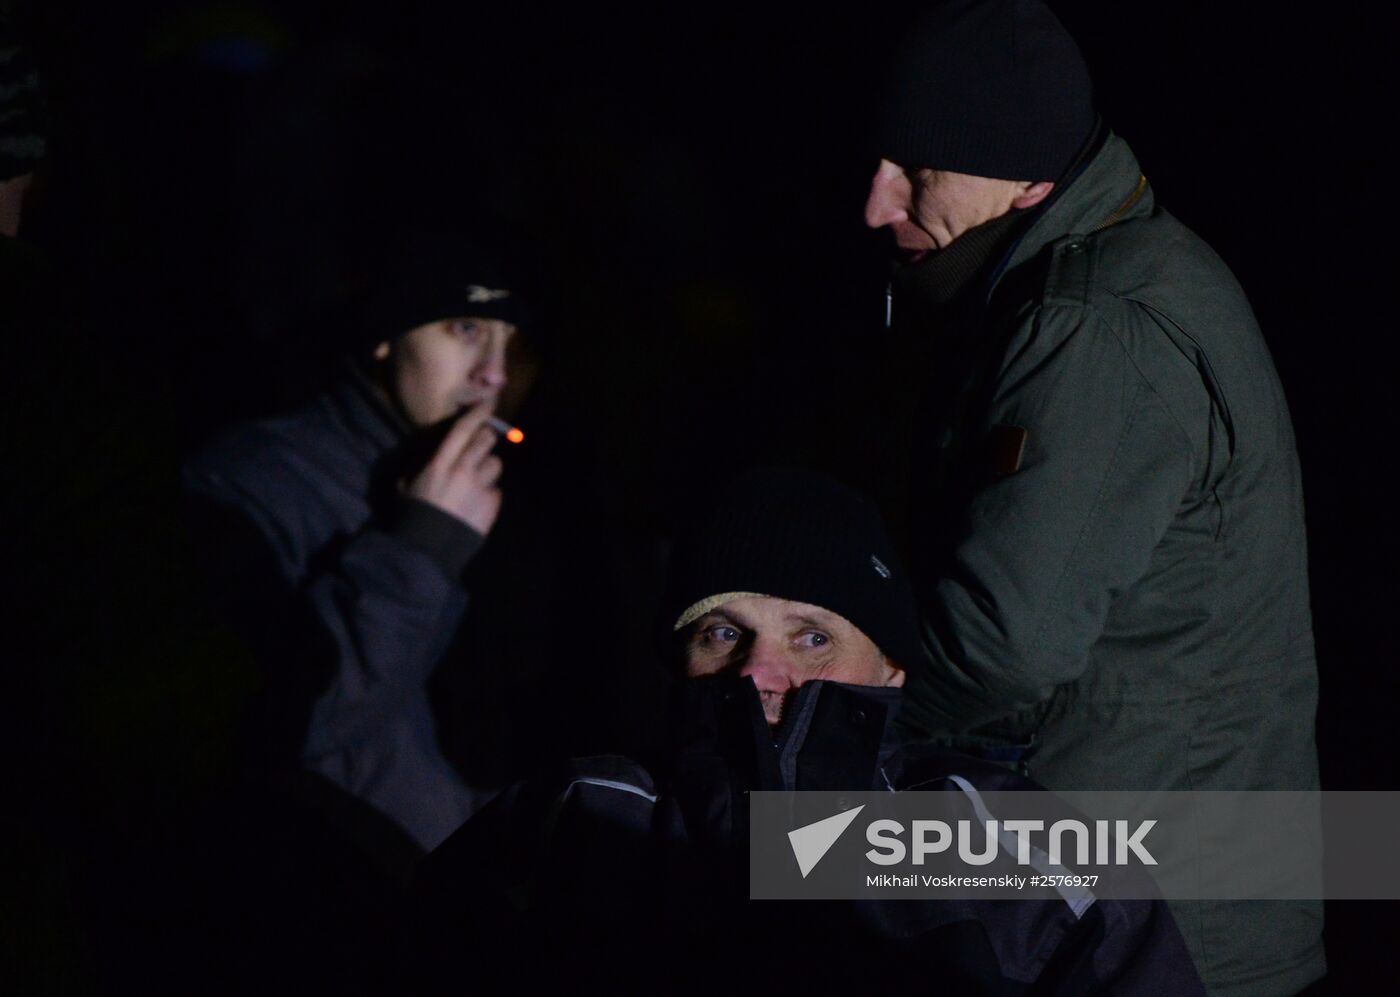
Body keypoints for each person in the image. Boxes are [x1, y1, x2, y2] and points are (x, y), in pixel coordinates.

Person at [860, 3, 1322, 993]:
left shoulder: (1093, 324)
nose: (873, 202)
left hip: (1157, 935)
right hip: (1162, 913)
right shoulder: (1106, 273)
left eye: (916, 170)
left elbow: (1000, 649)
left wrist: (831, 734)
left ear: (1024, 177)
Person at [408, 468, 1203, 995]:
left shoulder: (1013, 837)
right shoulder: (573, 812)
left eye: (812, 636)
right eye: (721, 632)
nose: (761, 670)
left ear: (890, 667)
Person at [184, 229, 522, 855]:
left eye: (508, 340)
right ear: (386, 335)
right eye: (466, 330)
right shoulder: (251, 482)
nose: (494, 375)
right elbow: (274, 727)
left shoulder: (477, 486)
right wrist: (422, 547)